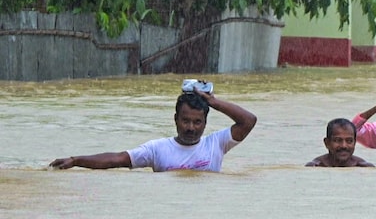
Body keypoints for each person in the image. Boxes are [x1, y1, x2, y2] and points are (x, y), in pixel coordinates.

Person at [49, 88, 257, 172]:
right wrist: (76, 160)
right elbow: (117, 159)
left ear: (205, 123)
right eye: (185, 121)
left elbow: (248, 121)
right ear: (175, 120)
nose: (191, 128)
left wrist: (214, 102)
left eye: (197, 122)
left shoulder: (216, 144)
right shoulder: (157, 149)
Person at [307, 118, 375, 167]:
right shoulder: (315, 166)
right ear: (327, 143)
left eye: (349, 141)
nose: (344, 146)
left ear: (354, 143)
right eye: (337, 140)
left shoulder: (364, 167)